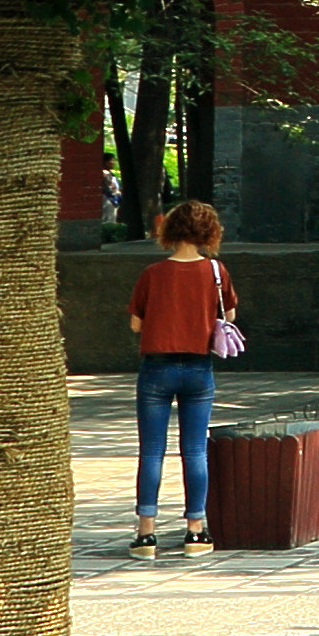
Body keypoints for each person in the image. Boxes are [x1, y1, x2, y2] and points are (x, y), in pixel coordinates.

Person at [126, 201, 240, 559]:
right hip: (198, 368)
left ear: (169, 231)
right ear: (209, 232)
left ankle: (146, 534)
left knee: (152, 451)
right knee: (194, 450)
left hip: (156, 368)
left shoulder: (152, 273)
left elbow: (136, 324)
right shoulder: (216, 272)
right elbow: (230, 313)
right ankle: (196, 531)